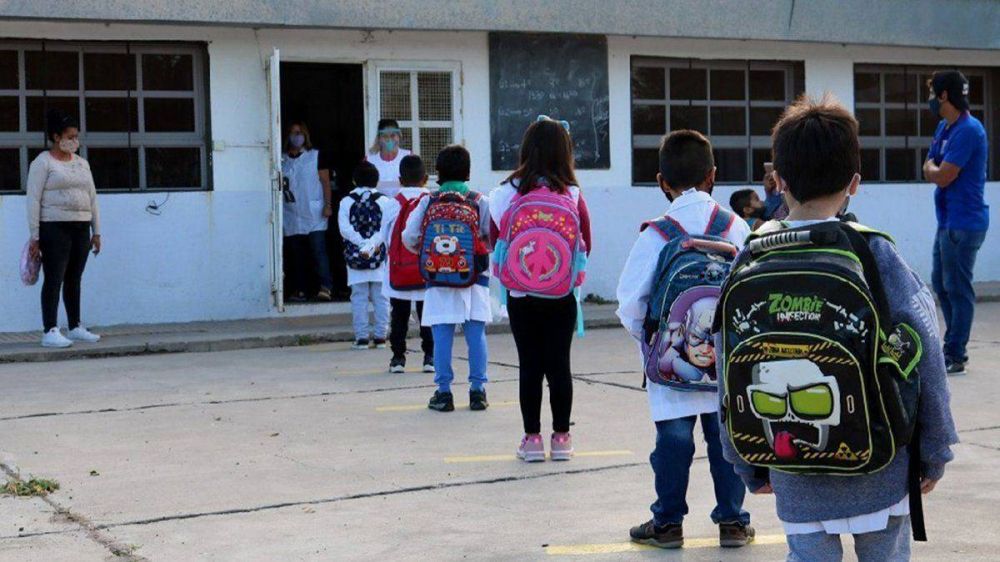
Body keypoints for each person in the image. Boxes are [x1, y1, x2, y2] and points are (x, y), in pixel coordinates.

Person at [719, 96, 957, 562]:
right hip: (880, 466)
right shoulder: (875, 254)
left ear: (778, 180)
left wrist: (744, 457)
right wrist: (935, 448)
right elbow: (926, 351)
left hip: (790, 466)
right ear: (855, 184)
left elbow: (730, 367)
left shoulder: (751, 257)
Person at [617, 130, 754, 549]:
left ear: (662, 182)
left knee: (673, 443)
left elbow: (629, 303)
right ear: (713, 175)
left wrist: (655, 341)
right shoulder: (736, 227)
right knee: (725, 443)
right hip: (725, 363)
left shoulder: (657, 234)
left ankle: (668, 524)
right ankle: (732, 522)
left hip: (672, 362)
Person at [489, 118, 592, 462]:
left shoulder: (504, 192)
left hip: (521, 294)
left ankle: (531, 440)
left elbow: (495, 243)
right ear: (565, 152)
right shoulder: (573, 193)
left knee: (529, 365)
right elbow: (585, 245)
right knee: (559, 364)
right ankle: (562, 439)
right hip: (562, 293)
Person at [403, 145, 491, 413]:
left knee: (442, 334)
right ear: (468, 171)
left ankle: (444, 393)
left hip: (438, 278)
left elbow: (409, 236)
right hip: (474, 277)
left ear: (438, 172)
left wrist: (428, 252)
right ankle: (477, 392)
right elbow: (490, 236)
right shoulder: (479, 200)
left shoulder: (428, 201)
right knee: (476, 333)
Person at [922, 70, 990, 376]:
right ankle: (952, 343)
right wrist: (935, 169)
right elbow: (929, 167)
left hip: (964, 222)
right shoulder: (944, 127)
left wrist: (935, 169)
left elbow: (943, 174)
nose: (931, 99)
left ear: (944, 95)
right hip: (947, 220)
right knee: (941, 284)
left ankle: (955, 352)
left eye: (933, 92)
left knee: (957, 288)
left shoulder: (968, 130)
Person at [26, 110, 102, 348]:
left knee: (74, 278)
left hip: (81, 227)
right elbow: (33, 200)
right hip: (54, 227)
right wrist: (35, 236)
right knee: (54, 278)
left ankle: (75, 326)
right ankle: (49, 330)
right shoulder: (43, 162)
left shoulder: (82, 164)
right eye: (70, 136)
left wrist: (96, 231)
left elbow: (92, 197)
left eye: (76, 136)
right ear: (57, 136)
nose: (74, 140)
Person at [383, 154, 435, 373]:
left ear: (400, 179)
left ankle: (398, 358)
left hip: (399, 270)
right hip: (426, 269)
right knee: (428, 315)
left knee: (399, 315)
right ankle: (430, 358)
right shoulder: (432, 200)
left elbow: (385, 236)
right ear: (425, 178)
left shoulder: (393, 203)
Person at [339, 161, 393, 349]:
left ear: (354, 180)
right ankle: (380, 337)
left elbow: (344, 229)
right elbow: (386, 229)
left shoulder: (346, 202)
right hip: (378, 256)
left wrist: (362, 244)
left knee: (359, 297)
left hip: (355, 256)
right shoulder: (385, 201)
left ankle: (361, 337)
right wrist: (372, 245)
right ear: (376, 180)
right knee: (381, 297)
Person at [281, 121, 335, 302]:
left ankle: (325, 287)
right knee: (297, 254)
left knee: (318, 251)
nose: (296, 136)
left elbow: (326, 182)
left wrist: (328, 205)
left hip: (314, 212)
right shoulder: (282, 159)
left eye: (299, 133)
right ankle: (300, 289)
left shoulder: (315, 156)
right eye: (293, 132)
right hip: (291, 214)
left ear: (306, 135)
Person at [366, 118, 412, 198]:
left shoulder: (408, 157)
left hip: (403, 208)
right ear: (379, 138)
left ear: (399, 136)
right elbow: (365, 189)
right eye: (385, 136)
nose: (389, 140)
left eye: (393, 135)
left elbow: (415, 186)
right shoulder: (370, 161)